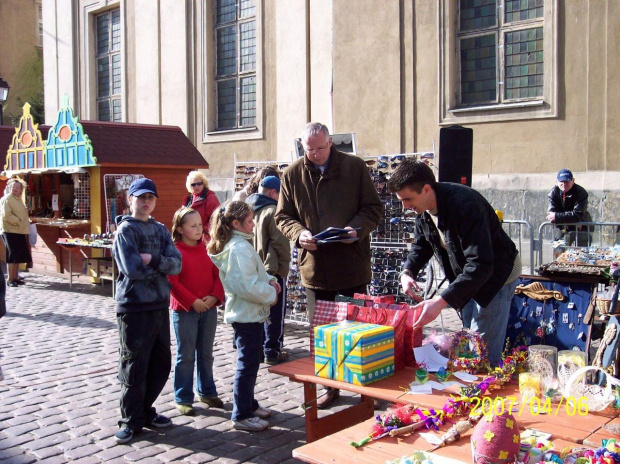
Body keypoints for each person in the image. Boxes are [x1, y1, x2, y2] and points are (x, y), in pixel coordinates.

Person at [275, 122, 383, 408]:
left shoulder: (354, 167)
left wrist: (356, 230)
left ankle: (365, 390)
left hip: (351, 266)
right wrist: (299, 235)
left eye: (321, 148)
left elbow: (373, 208)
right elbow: (283, 216)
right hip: (316, 269)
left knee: (356, 331)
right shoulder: (293, 173)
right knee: (322, 334)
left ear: (331, 142)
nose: (316, 154)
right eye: (310, 150)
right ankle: (329, 388)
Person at [388, 159, 521, 368]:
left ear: (426, 189)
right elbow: (422, 244)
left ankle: (484, 390)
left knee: (482, 347)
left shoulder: (465, 206)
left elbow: (481, 264)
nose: (405, 206)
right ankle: (471, 381)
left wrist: (440, 302)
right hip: (469, 276)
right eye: (401, 200)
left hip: (497, 276)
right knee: (469, 334)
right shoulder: (422, 209)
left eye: (407, 199)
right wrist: (408, 271)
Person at [112, 178, 182, 444]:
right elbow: (132, 269)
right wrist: (160, 266)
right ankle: (130, 420)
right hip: (133, 306)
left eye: (150, 198)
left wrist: (153, 260)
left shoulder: (161, 230)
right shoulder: (125, 231)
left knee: (159, 364)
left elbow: (176, 265)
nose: (146, 202)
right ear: (130, 199)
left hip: (158, 305)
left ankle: (145, 410)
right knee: (134, 366)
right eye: (140, 197)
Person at [208, 201, 280, 432]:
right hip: (245, 316)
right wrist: (270, 293)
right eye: (250, 221)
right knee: (247, 365)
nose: (253, 224)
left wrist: (269, 280)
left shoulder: (242, 244)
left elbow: (255, 273)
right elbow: (246, 285)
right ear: (236, 223)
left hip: (251, 314)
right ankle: (241, 413)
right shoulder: (238, 248)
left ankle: (249, 403)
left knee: (252, 362)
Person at [169, 207, 225, 416]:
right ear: (181, 229)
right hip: (185, 311)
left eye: (200, 224)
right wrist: (192, 301)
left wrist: (214, 297)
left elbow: (218, 275)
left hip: (208, 309)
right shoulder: (175, 251)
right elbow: (172, 282)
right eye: (192, 226)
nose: (198, 229)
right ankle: (183, 396)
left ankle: (207, 391)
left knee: (206, 353)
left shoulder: (207, 248)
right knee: (186, 355)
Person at [247, 176, 291, 365]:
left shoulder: (247, 209)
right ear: (274, 192)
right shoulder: (273, 211)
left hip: (253, 269)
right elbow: (281, 244)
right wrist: (284, 268)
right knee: (274, 312)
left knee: (258, 311)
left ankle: (258, 349)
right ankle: (272, 350)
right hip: (271, 270)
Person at [547, 169, 592, 246]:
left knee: (582, 253)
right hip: (561, 227)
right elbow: (551, 216)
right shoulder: (553, 193)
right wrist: (571, 219)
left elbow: (577, 214)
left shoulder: (581, 193)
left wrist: (557, 216)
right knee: (559, 251)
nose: (564, 184)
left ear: (573, 181)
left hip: (581, 226)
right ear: (556, 182)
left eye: (567, 181)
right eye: (561, 182)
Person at [0, 178, 32, 287]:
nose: (15, 189)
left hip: (18, 230)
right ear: (9, 187)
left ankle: (15, 277)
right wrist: (18, 221)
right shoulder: (7, 198)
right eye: (13, 187)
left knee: (17, 255)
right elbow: (7, 215)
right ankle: (10, 279)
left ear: (21, 190)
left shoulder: (18, 199)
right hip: (10, 230)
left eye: (17, 188)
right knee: (12, 255)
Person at [182, 171, 221, 245]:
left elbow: (218, 219)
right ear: (189, 186)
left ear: (204, 184)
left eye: (199, 183)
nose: (196, 186)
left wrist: (202, 230)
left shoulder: (210, 198)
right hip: (189, 239)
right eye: (193, 184)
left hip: (205, 241)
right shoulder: (188, 199)